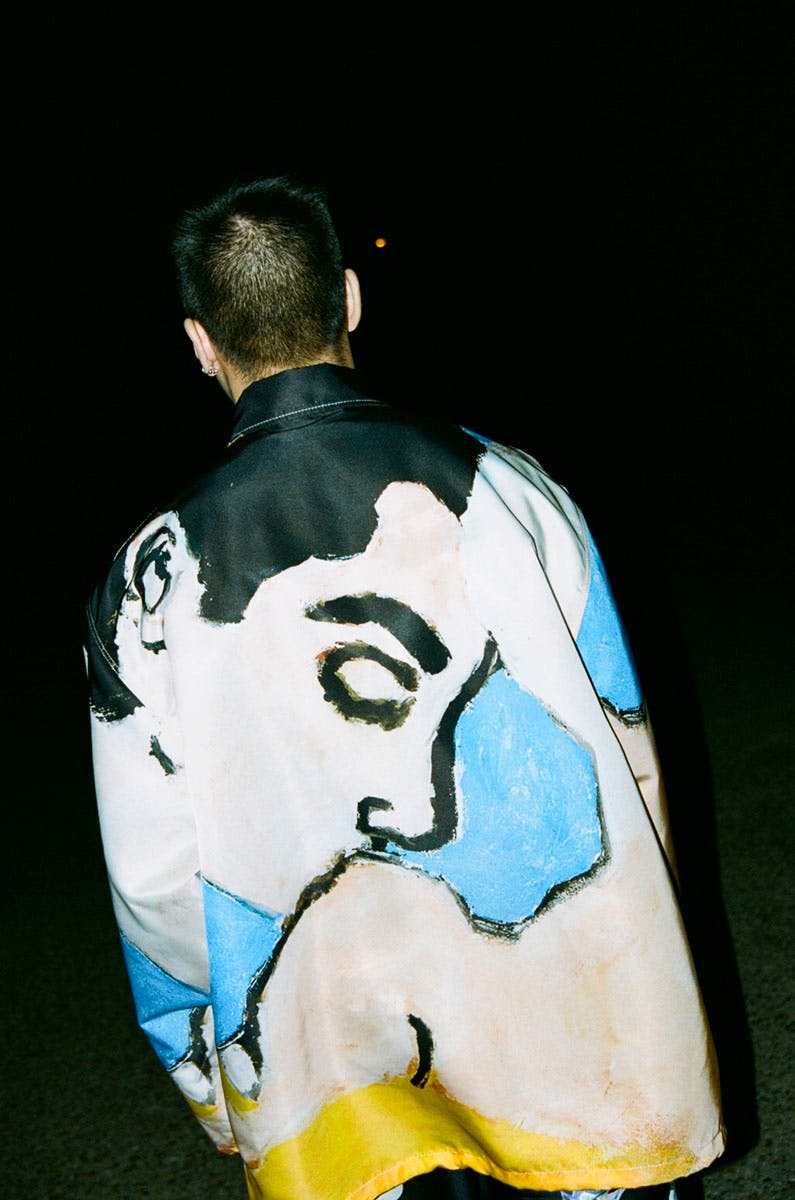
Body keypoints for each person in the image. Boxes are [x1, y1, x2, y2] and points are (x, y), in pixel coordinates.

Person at [85, 176, 725, 1200]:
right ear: (348, 297)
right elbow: (627, 751)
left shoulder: (149, 582)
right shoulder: (512, 488)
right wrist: (648, 954)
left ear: (200, 342)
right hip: (562, 1022)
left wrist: (214, 1073)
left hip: (333, 1060)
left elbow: (154, 881)